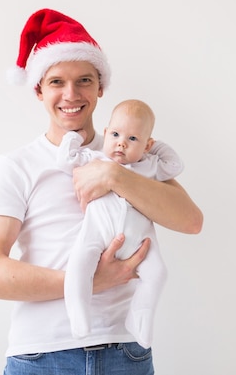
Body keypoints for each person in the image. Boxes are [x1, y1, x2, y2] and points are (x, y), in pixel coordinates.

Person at [0, 8, 203, 375]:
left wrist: (114, 176)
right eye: (56, 82)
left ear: (100, 88)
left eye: (83, 80)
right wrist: (87, 282)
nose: (70, 94)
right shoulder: (16, 165)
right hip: (42, 356)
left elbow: (190, 221)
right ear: (38, 90)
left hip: (126, 353)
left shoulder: (128, 154)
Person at [58, 99, 183, 349]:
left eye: (133, 139)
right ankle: (79, 314)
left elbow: (176, 165)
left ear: (147, 144)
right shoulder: (95, 159)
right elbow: (66, 160)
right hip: (97, 233)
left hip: (139, 242)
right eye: (115, 134)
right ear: (106, 134)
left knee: (158, 273)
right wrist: (74, 137)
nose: (121, 143)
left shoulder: (149, 166)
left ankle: (139, 318)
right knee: (79, 266)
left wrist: (153, 148)